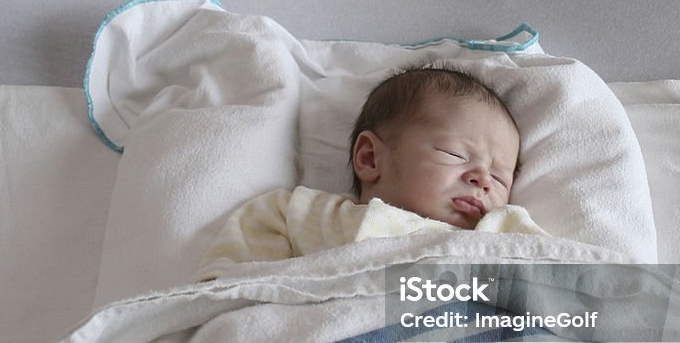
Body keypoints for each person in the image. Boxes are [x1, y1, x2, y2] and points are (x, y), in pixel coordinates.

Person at [196, 64, 545, 280]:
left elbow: (576, 297)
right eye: (456, 154)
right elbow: (231, 288)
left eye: (500, 177)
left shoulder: (502, 230)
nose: (482, 180)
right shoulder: (307, 215)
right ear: (369, 158)